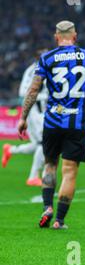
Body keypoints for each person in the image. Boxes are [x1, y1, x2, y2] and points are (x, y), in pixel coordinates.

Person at [18, 20, 85, 229]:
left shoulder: (47, 58)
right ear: (75, 36)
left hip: (52, 120)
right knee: (70, 171)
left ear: (56, 36)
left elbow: (33, 90)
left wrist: (23, 118)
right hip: (76, 122)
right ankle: (59, 221)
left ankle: (47, 206)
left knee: (50, 164)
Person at [2, 50, 48, 187]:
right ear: (38, 58)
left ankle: (10, 150)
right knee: (43, 142)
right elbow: (24, 91)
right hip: (34, 110)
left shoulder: (45, 68)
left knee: (37, 145)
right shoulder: (33, 70)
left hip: (41, 110)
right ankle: (33, 177)